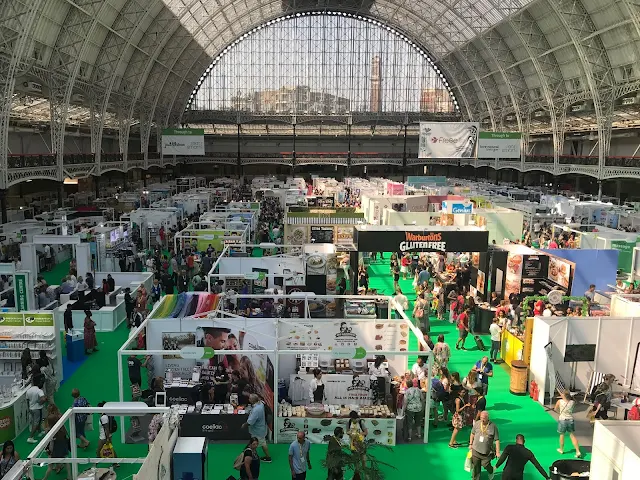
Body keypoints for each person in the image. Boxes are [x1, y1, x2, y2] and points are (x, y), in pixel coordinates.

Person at [469, 411, 500, 480]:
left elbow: (497, 440)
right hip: (476, 450)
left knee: (486, 464)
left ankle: (491, 471)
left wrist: (497, 452)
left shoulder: (493, 426)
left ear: (488, 418)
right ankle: (476, 478)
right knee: (476, 466)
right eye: (481, 418)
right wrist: (470, 444)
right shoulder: (477, 424)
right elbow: (472, 434)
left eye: (484, 418)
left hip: (487, 452)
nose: (482, 420)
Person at [243, 394, 272, 462]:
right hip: (261, 428)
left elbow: (250, 422)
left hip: (257, 430)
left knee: (259, 443)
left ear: (252, 401)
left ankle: (267, 457)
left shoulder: (256, 410)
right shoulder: (261, 403)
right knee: (261, 442)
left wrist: (244, 425)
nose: (248, 399)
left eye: (249, 398)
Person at [554, 390, 582, 458]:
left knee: (562, 435)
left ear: (563, 395)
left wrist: (559, 413)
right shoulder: (572, 402)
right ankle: (578, 451)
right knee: (572, 435)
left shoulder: (559, 401)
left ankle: (561, 449)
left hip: (562, 419)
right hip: (570, 419)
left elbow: (555, 409)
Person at [26, 377, 46, 443]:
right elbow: (43, 399)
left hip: (31, 408)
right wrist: (40, 402)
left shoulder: (28, 391)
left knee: (38, 420)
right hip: (37, 408)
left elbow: (27, 400)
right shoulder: (39, 391)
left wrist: (29, 408)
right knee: (36, 422)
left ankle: (40, 431)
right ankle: (30, 437)